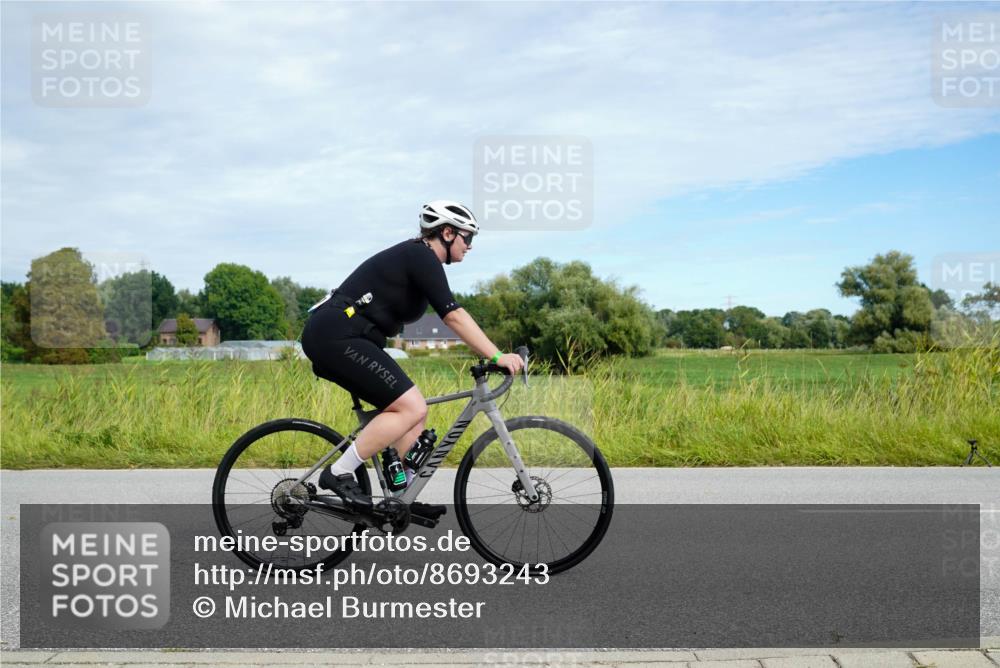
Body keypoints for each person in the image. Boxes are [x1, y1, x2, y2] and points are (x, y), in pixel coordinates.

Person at [300, 200, 525, 510]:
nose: (470, 246)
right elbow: (453, 315)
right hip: (335, 335)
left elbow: (452, 313)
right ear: (447, 233)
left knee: (415, 413)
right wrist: (498, 356)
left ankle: (400, 498)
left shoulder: (421, 260)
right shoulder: (420, 255)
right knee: (411, 406)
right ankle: (338, 472)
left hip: (349, 338)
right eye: (468, 237)